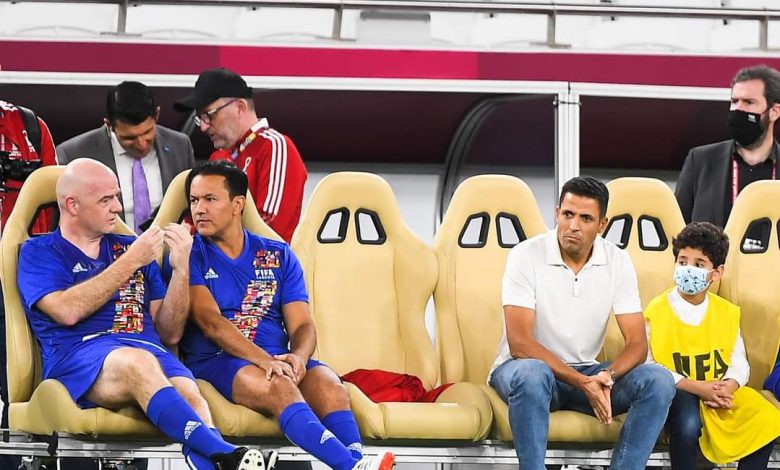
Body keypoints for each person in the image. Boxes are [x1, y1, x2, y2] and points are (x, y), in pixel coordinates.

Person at [16, 158, 276, 470]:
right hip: (80, 357)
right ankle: (223, 451)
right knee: (137, 362)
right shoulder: (39, 251)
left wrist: (181, 270)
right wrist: (131, 262)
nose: (117, 208)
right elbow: (66, 311)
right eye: (105, 200)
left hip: (150, 352)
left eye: (117, 197)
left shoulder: (132, 247)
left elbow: (170, 332)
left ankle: (222, 460)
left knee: (191, 395)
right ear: (72, 205)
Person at [175, 160, 392, 470]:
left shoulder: (279, 254)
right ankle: (351, 465)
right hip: (218, 360)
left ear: (238, 204)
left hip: (276, 359)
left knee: (330, 385)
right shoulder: (190, 254)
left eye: (210, 199)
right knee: (280, 385)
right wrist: (266, 361)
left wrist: (299, 358)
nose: (199, 209)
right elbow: (211, 324)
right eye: (194, 201)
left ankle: (356, 461)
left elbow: (302, 324)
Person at [488, 175, 676, 470]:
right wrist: (583, 382)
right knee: (532, 373)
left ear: (602, 224)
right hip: (526, 370)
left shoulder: (617, 260)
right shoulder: (525, 255)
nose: (573, 226)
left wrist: (606, 376)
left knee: (659, 380)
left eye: (585, 218)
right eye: (567, 214)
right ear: (557, 213)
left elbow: (638, 344)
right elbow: (520, 344)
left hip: (587, 371)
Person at [644, 222, 780, 469]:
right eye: (682, 261)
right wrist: (697, 387)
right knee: (687, 425)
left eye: (699, 265)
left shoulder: (726, 312)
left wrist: (730, 384)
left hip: (718, 389)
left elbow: (738, 360)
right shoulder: (656, 310)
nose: (688, 269)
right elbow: (649, 364)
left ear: (717, 273)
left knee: (768, 418)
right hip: (679, 390)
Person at [174, 68, 306, 243]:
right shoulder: (218, 157)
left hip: (263, 259)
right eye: (200, 118)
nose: (203, 127)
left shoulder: (274, 146)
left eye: (209, 115)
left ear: (240, 107)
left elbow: (270, 229)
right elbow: (193, 222)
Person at [57, 81, 195, 234]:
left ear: (157, 115)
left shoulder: (180, 145)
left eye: (147, 132)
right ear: (109, 125)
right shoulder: (74, 155)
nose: (141, 144)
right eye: (129, 138)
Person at [676, 65, 780, 228]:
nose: (738, 109)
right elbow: (676, 230)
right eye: (734, 101)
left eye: (749, 102)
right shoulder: (700, 161)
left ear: (774, 111)